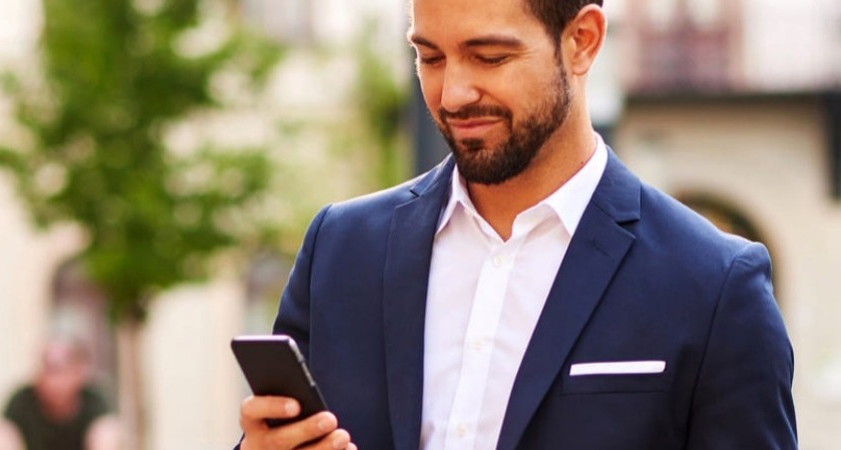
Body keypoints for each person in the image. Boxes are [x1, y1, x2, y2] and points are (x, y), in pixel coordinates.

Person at [235, 0, 795, 448]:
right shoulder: (339, 250)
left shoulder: (716, 285)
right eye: (430, 57)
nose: (453, 92)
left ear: (582, 41)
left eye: (489, 57)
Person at [0, 338, 121, 450]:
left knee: (108, 432)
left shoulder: (94, 401)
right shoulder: (22, 401)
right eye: (46, 367)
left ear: (78, 372)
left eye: (57, 370)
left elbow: (105, 437)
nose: (51, 380)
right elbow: (2, 435)